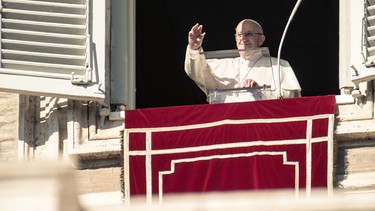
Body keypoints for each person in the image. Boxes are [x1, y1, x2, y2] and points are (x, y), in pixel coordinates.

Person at [184, 19, 301, 102]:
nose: (243, 39)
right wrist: (194, 49)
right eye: (239, 35)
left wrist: (261, 92)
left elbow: (291, 98)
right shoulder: (223, 64)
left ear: (261, 39)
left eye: (248, 34)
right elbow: (197, 73)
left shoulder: (280, 65)